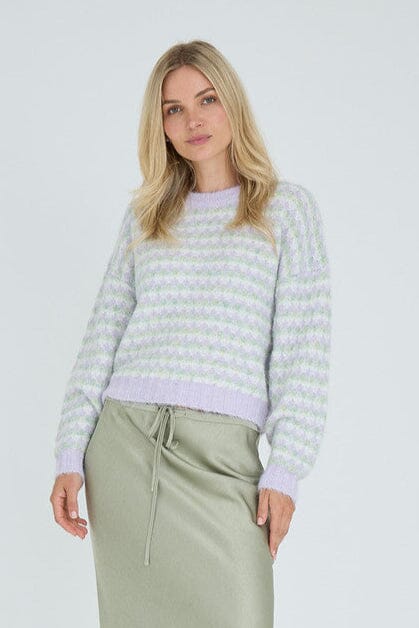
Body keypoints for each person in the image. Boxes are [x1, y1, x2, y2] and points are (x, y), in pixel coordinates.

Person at [49, 39, 332, 628]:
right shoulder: (146, 217)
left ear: (232, 103)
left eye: (207, 99)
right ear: (160, 126)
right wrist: (70, 451)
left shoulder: (286, 211)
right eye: (173, 109)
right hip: (124, 450)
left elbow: (304, 352)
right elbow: (102, 336)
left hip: (223, 461)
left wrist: (286, 470)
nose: (193, 120)